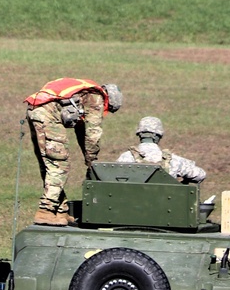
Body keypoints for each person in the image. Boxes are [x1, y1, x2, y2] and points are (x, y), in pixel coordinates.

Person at [25, 77, 122, 226]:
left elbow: (82, 131)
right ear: (108, 100)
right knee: (59, 165)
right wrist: (92, 161)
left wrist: (88, 157)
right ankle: (46, 210)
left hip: (35, 110)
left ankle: (60, 210)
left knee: (49, 165)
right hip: (48, 115)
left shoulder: (83, 91)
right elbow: (93, 133)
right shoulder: (96, 97)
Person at [117, 115, 206, 183]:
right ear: (158, 136)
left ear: (139, 134)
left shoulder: (125, 158)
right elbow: (200, 175)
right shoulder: (173, 160)